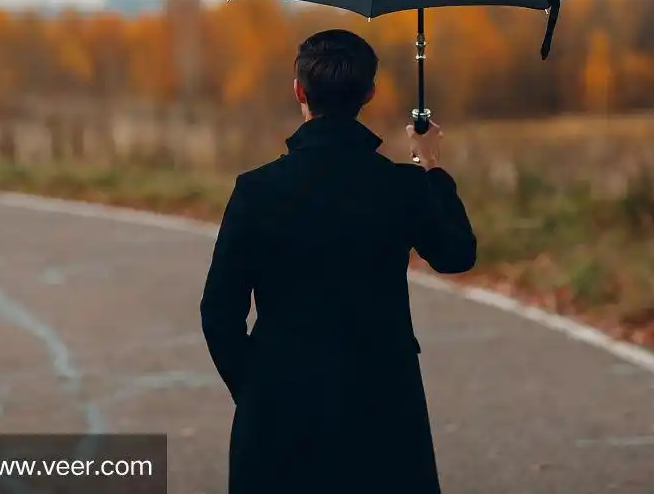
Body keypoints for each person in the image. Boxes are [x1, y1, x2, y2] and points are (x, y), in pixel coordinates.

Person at [200, 28, 477, 494]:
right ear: (368, 93)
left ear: (299, 92)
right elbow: (457, 255)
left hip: (279, 407)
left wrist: (254, 391)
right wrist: (431, 168)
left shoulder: (257, 190)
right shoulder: (402, 187)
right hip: (384, 406)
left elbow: (219, 312)